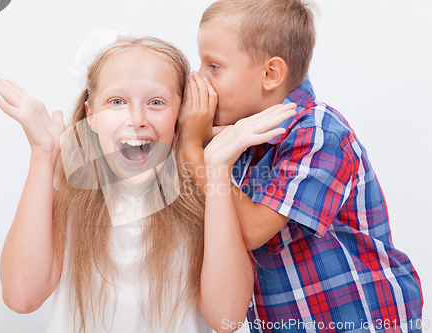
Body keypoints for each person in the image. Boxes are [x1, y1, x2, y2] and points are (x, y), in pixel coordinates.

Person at [0, 33, 290, 333]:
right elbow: (21, 298)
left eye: (156, 102)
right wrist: (44, 155)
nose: (136, 118)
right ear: (91, 115)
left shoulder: (205, 191)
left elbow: (226, 317)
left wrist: (217, 170)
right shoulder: (67, 190)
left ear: (180, 114)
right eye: (117, 101)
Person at [180, 0, 423, 332]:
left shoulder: (318, 132)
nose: (199, 78)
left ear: (270, 74)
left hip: (360, 320)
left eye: (214, 66)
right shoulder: (241, 141)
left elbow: (251, 230)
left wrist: (194, 150)